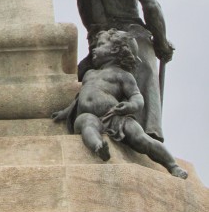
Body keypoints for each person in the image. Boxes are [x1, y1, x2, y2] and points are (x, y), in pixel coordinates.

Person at [76, 0, 174, 140]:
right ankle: (149, 136)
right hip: (131, 41)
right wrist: (161, 43)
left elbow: (84, 12)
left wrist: (100, 39)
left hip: (100, 43)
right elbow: (151, 6)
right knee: (144, 87)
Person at [52, 29, 187, 178]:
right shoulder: (89, 74)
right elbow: (79, 98)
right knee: (86, 124)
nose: (94, 49)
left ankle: (172, 165)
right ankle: (98, 146)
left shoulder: (122, 75)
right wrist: (65, 112)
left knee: (140, 139)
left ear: (115, 49)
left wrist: (130, 106)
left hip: (115, 116)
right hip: (89, 115)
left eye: (101, 44)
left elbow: (137, 97)